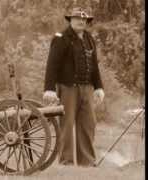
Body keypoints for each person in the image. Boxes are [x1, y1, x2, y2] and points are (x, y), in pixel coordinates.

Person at [43, 7, 105, 167]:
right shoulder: (61, 38)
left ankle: (87, 163)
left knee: (88, 125)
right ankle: (66, 162)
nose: (81, 21)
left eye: (84, 20)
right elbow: (52, 65)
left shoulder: (89, 38)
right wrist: (49, 89)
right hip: (68, 88)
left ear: (87, 22)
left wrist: (99, 87)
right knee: (67, 126)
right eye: (77, 18)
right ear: (70, 20)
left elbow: (94, 66)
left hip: (88, 89)